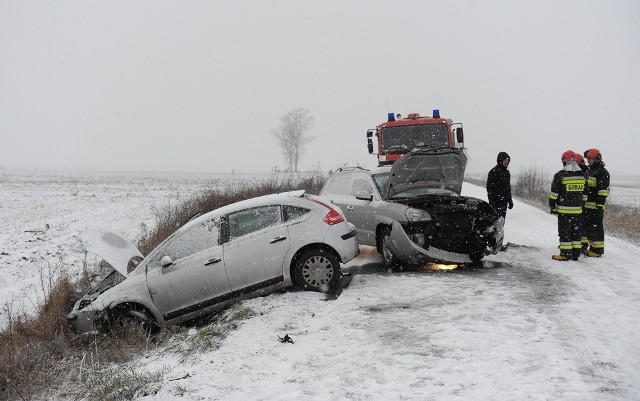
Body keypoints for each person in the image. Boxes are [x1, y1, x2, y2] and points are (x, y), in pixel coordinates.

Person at [549, 150, 585, 261]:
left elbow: (554, 193)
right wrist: (580, 204)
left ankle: (565, 254)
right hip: (578, 211)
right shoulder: (582, 175)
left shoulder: (560, 175)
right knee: (576, 232)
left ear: (564, 161)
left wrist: (552, 206)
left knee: (565, 232)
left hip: (564, 211)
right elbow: (585, 194)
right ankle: (576, 254)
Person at [582, 148, 610, 257]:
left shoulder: (602, 172)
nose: (588, 160)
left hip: (596, 207)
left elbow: (603, 192)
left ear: (596, 159)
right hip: (587, 206)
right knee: (590, 228)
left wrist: (599, 206)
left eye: (590, 158)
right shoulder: (590, 171)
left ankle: (598, 251)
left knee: (596, 228)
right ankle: (592, 248)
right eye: (587, 158)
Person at [486, 151, 513, 219]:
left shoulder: (507, 173)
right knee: (495, 222)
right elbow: (489, 189)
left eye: (508, 160)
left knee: (501, 222)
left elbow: (508, 188)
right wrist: (492, 204)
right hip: (496, 203)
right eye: (505, 160)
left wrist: (510, 200)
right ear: (500, 160)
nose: (507, 162)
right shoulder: (493, 172)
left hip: (504, 203)